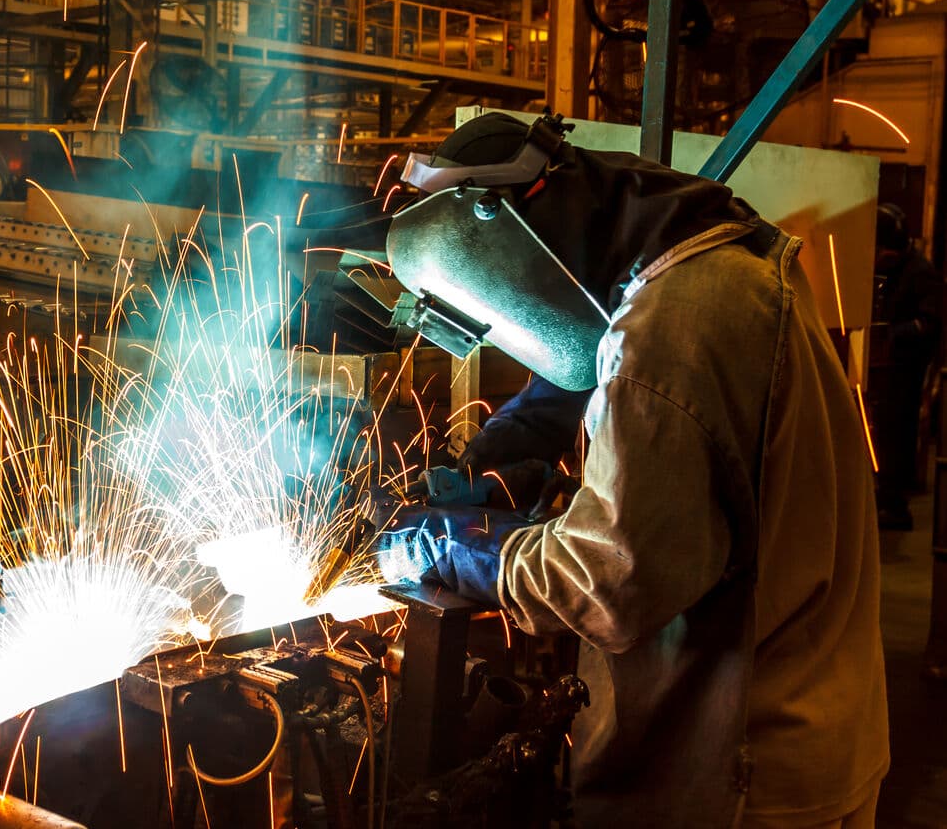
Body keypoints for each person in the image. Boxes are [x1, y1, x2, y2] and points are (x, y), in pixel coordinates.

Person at [380, 111, 887, 827]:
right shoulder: (717, 264)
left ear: (513, 223)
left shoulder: (673, 327)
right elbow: (602, 365)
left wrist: (477, 554)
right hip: (814, 723)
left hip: (746, 773)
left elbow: (606, 579)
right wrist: (515, 440)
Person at [869, 202, 942, 531]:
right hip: (888, 368)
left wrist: (894, 335)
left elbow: (930, 323)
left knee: (896, 436)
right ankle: (883, 496)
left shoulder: (920, 273)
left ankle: (895, 507)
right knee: (883, 433)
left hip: (905, 369)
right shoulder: (894, 271)